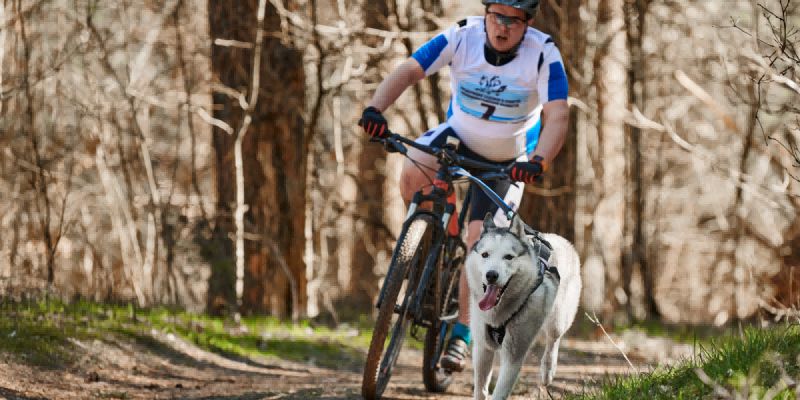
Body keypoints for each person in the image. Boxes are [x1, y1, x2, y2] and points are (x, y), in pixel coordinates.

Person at [359, 0, 569, 372]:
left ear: (528, 23)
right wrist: (376, 108)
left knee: (483, 244)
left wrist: (539, 160)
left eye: (513, 21)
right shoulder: (461, 35)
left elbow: (557, 114)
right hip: (458, 137)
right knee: (412, 171)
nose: (502, 27)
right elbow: (410, 70)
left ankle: (462, 333)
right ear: (485, 14)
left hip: (510, 160)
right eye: (496, 17)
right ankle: (433, 247)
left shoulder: (543, 53)